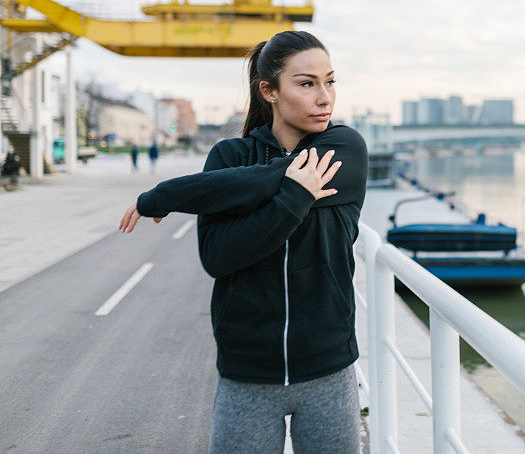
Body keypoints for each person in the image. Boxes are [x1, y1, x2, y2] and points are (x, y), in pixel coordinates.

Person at [117, 31, 369, 453]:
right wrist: (295, 195)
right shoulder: (229, 158)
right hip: (248, 373)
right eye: (306, 83)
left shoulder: (345, 147)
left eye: (330, 81)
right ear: (269, 91)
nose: (325, 97)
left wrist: (173, 194)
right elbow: (219, 257)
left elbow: (257, 182)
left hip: (327, 368)